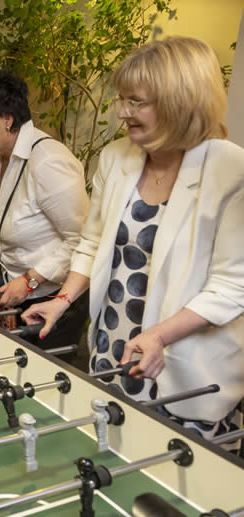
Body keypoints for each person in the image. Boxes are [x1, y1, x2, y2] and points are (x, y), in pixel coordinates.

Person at [22, 37, 244, 441]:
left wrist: (159, 335)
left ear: (180, 101)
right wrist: (61, 300)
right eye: (122, 100)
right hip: (113, 346)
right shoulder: (116, 157)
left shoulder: (231, 169)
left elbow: (232, 286)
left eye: (136, 102)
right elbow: (91, 243)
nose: (123, 112)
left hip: (187, 364)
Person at [0, 69, 89, 349]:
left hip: (53, 299)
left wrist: (30, 280)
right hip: (18, 291)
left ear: (7, 119)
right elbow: (7, 214)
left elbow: (82, 240)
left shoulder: (49, 162)